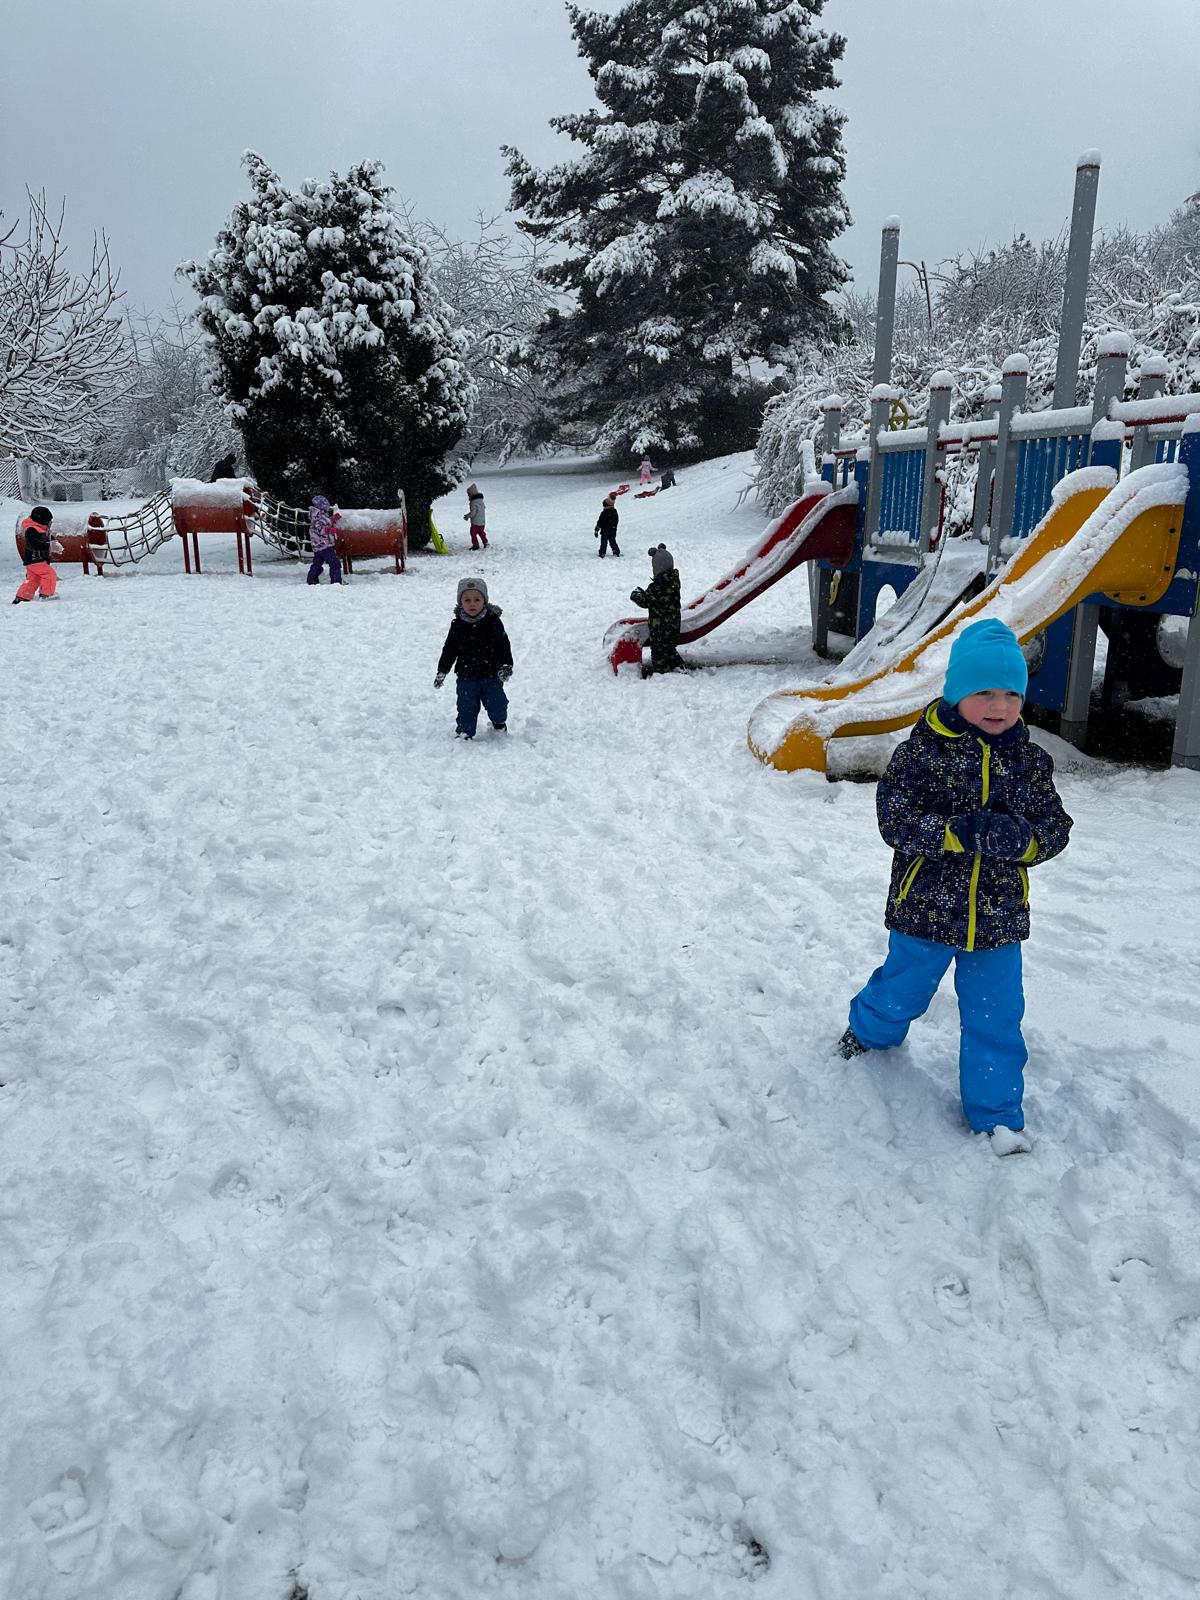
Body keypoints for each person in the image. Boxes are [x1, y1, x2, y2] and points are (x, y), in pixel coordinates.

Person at [837, 618, 1073, 1156]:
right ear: (956, 692)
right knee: (902, 990)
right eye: (984, 692)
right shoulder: (922, 753)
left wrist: (1023, 842)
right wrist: (951, 833)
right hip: (925, 907)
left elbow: (1055, 828)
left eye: (1011, 694)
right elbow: (894, 820)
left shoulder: (1028, 761)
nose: (1000, 706)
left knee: (997, 1017)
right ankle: (868, 1033)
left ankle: (997, 1118)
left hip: (997, 917)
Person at [434, 577, 513, 739]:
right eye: (467, 600)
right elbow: (449, 649)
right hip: (466, 676)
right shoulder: (457, 625)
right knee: (466, 706)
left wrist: (506, 664)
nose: (472, 604)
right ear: (460, 603)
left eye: (477, 599)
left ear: (484, 601)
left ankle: (499, 723)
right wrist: (442, 670)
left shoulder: (493, 622)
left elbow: (503, 645)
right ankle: (465, 731)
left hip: (491, 675)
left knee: (497, 704)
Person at [630, 544, 685, 675]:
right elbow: (656, 598)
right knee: (670, 648)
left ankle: (662, 673)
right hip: (674, 624)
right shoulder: (674, 582)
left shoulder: (657, 587)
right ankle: (678, 666)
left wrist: (636, 596)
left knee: (659, 652)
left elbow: (645, 601)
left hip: (660, 627)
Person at [13, 506, 60, 604]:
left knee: (33, 579)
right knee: (49, 574)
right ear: (42, 520)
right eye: (49, 520)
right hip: (35, 559)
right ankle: (46, 594)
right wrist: (49, 546)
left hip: (37, 560)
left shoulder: (43, 529)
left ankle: (22, 596)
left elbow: (49, 538)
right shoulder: (31, 530)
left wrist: (55, 544)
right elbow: (34, 543)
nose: (51, 523)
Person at [306, 495, 342, 584]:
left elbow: (325, 522)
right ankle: (336, 582)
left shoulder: (320, 514)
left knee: (317, 564)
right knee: (335, 563)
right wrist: (330, 530)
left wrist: (333, 519)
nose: (327, 506)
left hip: (318, 545)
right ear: (321, 505)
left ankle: (312, 579)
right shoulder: (317, 516)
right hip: (323, 545)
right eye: (326, 504)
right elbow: (319, 528)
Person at [463, 483, 488, 550]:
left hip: (476, 522)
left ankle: (475, 545)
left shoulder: (473, 502)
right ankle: (485, 542)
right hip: (482, 522)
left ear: (472, 494)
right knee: (481, 532)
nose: (468, 495)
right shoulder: (481, 501)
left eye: (469, 494)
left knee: (473, 533)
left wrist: (467, 516)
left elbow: (473, 512)